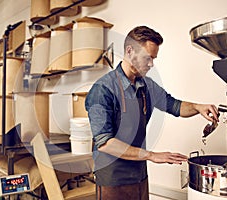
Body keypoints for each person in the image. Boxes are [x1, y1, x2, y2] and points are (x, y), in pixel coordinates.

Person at [85, 26, 219, 200]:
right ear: (129, 51)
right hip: (113, 180)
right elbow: (105, 143)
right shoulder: (102, 90)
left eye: (153, 59)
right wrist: (152, 155)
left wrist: (198, 107)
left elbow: (174, 105)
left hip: (140, 175)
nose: (151, 64)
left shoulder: (146, 85)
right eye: (147, 58)